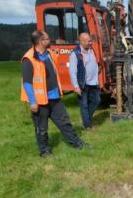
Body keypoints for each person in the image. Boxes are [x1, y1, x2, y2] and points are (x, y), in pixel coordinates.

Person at [20, 30, 87, 158]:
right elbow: (27, 83)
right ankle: (44, 151)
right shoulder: (28, 59)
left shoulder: (49, 53)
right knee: (42, 128)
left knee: (65, 122)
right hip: (40, 101)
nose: (49, 41)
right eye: (47, 39)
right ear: (40, 41)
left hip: (55, 97)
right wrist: (33, 102)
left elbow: (61, 56)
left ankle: (77, 144)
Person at [69, 32, 100, 130]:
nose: (90, 43)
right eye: (88, 41)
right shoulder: (75, 53)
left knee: (96, 100)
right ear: (81, 42)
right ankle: (87, 125)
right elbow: (72, 71)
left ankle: (87, 119)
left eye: (90, 40)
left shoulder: (91, 50)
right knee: (84, 105)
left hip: (93, 82)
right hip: (83, 84)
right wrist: (76, 86)